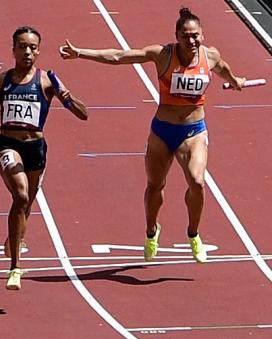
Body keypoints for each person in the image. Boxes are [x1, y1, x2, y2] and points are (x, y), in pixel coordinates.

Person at [60, 7, 245, 264]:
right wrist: (80, 53)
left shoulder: (210, 56)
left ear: (202, 35)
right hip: (162, 130)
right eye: (185, 36)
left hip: (193, 131)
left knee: (197, 181)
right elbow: (118, 56)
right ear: (176, 36)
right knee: (155, 186)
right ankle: (151, 231)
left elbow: (224, 69)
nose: (191, 41)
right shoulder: (162, 55)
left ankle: (193, 234)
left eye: (195, 36)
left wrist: (235, 80)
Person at [0, 26, 88, 291]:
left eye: (32, 47)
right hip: (7, 144)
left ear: (39, 50)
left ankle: (12, 239)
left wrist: (68, 98)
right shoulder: (1, 80)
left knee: (26, 205)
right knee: (22, 195)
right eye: (22, 46)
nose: (27, 51)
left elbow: (82, 113)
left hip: (36, 148)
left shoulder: (48, 80)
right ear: (13, 49)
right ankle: (15, 266)